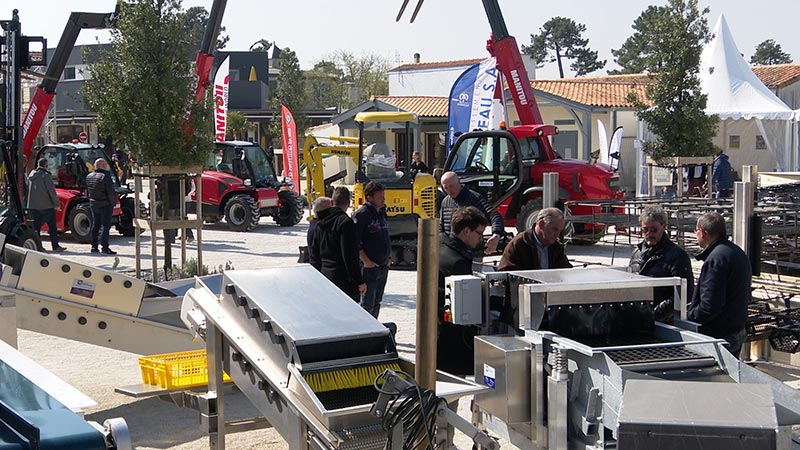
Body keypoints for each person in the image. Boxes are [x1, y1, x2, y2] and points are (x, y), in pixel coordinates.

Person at [688, 211, 751, 357]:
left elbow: (710, 306)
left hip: (719, 335)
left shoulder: (716, 259)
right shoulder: (736, 252)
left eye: (696, 230)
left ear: (703, 233)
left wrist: (688, 318)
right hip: (736, 329)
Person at [437, 206, 489, 375]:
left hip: (437, 331)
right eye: (479, 233)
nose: (481, 239)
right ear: (466, 231)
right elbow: (465, 305)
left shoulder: (441, 247)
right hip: (452, 338)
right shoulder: (458, 262)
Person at [628, 206, 694, 324]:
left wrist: (655, 313)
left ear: (663, 227)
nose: (649, 234)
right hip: (637, 318)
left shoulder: (677, 256)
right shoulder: (636, 253)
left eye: (654, 230)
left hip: (663, 322)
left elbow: (685, 293)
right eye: (645, 230)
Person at [309, 187, 366, 302]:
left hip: (325, 275)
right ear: (348, 204)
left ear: (332, 202)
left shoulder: (320, 222)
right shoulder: (345, 223)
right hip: (343, 280)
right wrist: (358, 281)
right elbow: (349, 255)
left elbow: (314, 253)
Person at [439, 171, 504, 254]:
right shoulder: (445, 202)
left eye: (451, 186)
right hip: (452, 250)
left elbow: (494, 215)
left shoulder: (474, 198)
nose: (449, 190)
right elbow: (441, 228)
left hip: (471, 251)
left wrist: (496, 235)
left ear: (459, 182)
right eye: (446, 188)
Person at [353, 181, 391, 318]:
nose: (383, 199)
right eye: (380, 196)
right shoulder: (361, 215)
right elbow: (354, 243)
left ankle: (375, 332)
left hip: (382, 266)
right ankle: (364, 334)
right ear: (369, 197)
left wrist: (388, 258)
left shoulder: (381, 213)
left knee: (377, 302)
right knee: (367, 305)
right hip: (369, 269)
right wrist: (366, 261)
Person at [498, 207, 571, 271]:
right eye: (554, 229)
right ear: (541, 224)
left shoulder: (556, 247)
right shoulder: (519, 244)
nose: (557, 234)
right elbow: (506, 273)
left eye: (560, 231)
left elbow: (566, 272)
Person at [27, 158, 66, 252]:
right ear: (46, 166)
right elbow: (51, 191)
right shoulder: (46, 176)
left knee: (36, 228)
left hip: (33, 206)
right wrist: (56, 204)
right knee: (52, 226)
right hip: (46, 206)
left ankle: (38, 247)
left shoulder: (31, 175)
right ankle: (55, 246)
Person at [86, 158, 117, 254]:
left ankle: (94, 246)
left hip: (94, 204)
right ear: (103, 166)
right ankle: (105, 246)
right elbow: (110, 192)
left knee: (96, 225)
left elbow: (88, 191)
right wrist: (113, 203)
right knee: (105, 226)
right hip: (105, 204)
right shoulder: (105, 176)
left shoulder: (89, 176)